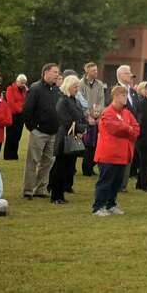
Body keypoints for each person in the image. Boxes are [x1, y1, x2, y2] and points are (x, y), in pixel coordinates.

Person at [93, 86, 140, 216]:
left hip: (123, 155)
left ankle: (111, 204)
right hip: (108, 155)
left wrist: (128, 129)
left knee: (116, 183)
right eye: (123, 95)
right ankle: (98, 207)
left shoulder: (126, 113)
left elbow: (136, 129)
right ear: (115, 96)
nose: (126, 98)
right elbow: (115, 129)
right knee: (105, 181)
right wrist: (128, 128)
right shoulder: (107, 112)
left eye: (126, 95)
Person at [21, 63, 62, 199]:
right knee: (33, 161)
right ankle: (28, 190)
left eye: (58, 72)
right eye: (55, 72)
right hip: (39, 132)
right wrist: (33, 128)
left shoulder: (56, 90)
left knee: (48, 162)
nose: (57, 74)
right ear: (46, 72)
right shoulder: (35, 88)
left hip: (53, 132)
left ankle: (40, 189)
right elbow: (27, 110)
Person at [50, 75, 88, 205]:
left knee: (67, 167)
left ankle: (61, 193)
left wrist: (82, 127)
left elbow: (81, 117)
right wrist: (81, 128)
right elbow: (65, 120)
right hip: (64, 137)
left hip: (73, 135)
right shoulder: (63, 101)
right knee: (59, 167)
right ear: (68, 86)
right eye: (75, 86)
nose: (77, 89)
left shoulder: (74, 100)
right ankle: (56, 195)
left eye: (78, 86)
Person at [78, 62, 108, 177]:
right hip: (85, 118)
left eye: (96, 70)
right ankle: (86, 168)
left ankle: (91, 166)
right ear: (87, 71)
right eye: (93, 70)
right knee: (87, 145)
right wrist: (88, 116)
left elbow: (101, 100)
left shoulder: (99, 84)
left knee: (96, 144)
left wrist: (99, 115)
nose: (96, 72)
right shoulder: (80, 84)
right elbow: (80, 101)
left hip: (97, 118)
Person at [3, 74, 28, 161]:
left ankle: (14, 154)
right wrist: (20, 109)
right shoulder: (10, 88)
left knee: (18, 135)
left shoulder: (25, 90)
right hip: (12, 115)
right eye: (21, 82)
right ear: (17, 81)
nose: (22, 84)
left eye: (24, 83)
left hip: (21, 116)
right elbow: (10, 102)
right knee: (10, 135)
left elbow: (27, 100)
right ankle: (7, 155)